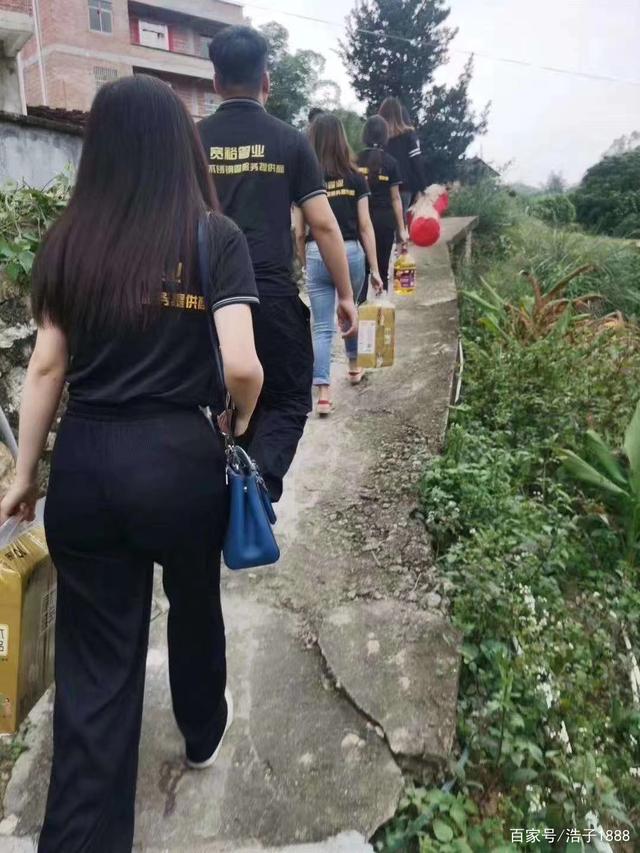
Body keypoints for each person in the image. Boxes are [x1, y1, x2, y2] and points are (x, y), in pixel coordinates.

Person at [0, 74, 263, 852]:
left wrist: (23, 476)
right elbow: (243, 365)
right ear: (182, 147)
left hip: (88, 460)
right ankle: (202, 728)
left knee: (95, 661)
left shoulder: (71, 241)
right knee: (194, 600)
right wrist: (237, 420)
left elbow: (46, 368)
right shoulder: (216, 237)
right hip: (180, 460)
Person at [198, 26, 357, 501]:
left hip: (202, 301)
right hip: (269, 295)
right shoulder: (289, 141)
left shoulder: (192, 140)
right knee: (287, 397)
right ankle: (256, 489)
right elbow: (323, 224)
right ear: (266, 80)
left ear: (215, 82)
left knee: (207, 404)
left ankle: (212, 491)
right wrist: (346, 294)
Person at [292, 114, 383, 414]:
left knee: (321, 326)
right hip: (351, 252)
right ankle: (354, 367)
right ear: (342, 139)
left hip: (317, 251)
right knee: (350, 310)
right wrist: (375, 268)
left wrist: (305, 261)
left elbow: (299, 230)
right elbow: (366, 226)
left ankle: (323, 394)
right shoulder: (356, 177)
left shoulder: (306, 177)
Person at [357, 116, 409, 302]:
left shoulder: (355, 161)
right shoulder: (391, 163)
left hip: (360, 220)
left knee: (361, 268)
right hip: (384, 221)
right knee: (382, 266)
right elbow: (395, 198)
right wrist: (401, 229)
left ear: (365, 135)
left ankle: (360, 306)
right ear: (385, 136)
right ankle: (381, 308)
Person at [378, 96, 427, 215]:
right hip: (405, 186)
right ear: (399, 114)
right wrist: (422, 188)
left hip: (384, 188)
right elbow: (416, 162)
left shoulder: (380, 140)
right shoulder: (409, 135)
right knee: (403, 219)